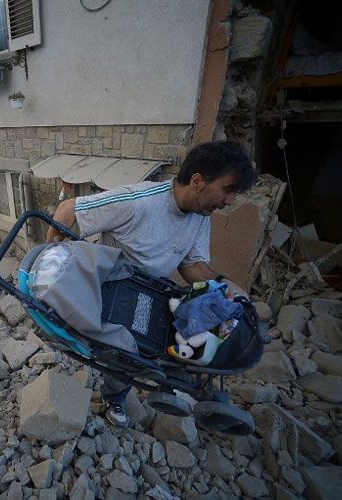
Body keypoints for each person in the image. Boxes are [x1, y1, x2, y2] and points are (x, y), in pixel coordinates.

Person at [45, 140, 255, 427]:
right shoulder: (140, 201)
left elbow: (191, 266)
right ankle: (115, 397)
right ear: (197, 181)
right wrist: (52, 262)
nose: (230, 201)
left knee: (182, 330)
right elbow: (68, 210)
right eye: (228, 190)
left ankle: (173, 383)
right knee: (123, 353)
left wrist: (225, 285)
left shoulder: (200, 217)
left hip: (155, 292)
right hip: (115, 292)